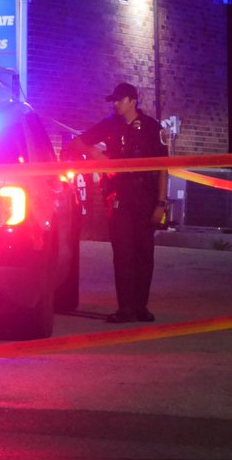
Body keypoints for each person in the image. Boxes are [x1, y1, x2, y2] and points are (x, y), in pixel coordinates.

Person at [69, 82, 168, 323]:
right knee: (122, 253)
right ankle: (125, 308)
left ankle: (140, 307)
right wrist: (98, 156)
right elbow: (79, 142)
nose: (115, 104)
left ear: (133, 101)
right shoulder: (110, 125)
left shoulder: (153, 129)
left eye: (119, 99)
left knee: (144, 253)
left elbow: (164, 168)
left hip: (145, 198)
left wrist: (161, 203)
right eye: (113, 100)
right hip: (119, 197)